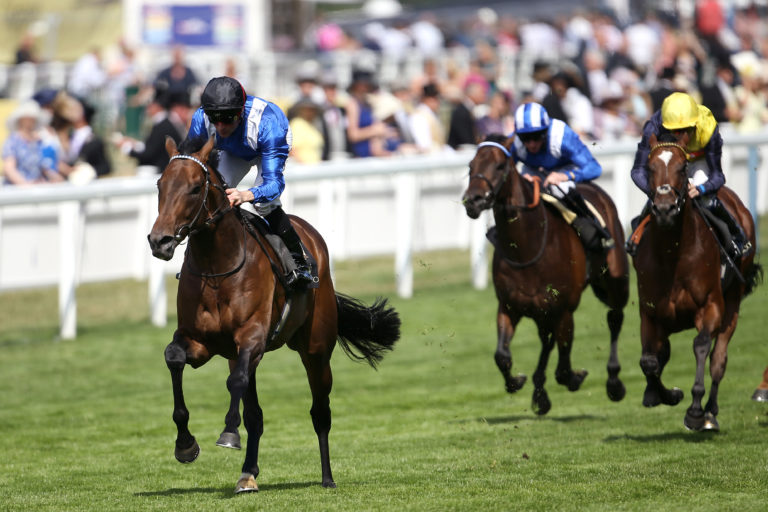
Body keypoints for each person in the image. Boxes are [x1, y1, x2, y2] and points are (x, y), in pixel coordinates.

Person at [184, 76, 313, 288]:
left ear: (242, 111)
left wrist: (246, 195)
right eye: (215, 118)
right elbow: (191, 163)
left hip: (266, 147)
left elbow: (274, 184)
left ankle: (299, 261)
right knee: (211, 194)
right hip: (233, 150)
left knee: (264, 204)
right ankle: (200, 261)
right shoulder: (201, 118)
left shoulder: (269, 124)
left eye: (228, 118)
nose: (221, 126)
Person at [625, 92, 751, 260]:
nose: (680, 134)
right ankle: (635, 235)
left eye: (686, 129)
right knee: (660, 198)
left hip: (699, 161)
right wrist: (654, 191)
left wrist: (701, 188)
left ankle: (737, 236)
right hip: (671, 163)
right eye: (674, 130)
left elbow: (718, 176)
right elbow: (638, 171)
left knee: (706, 199)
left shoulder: (708, 127)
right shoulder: (652, 128)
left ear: (695, 123)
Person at [510, 102, 613, 251]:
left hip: (564, 170)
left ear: (546, 131)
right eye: (525, 138)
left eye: (536, 136)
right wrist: (519, 178)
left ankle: (591, 231)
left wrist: (566, 176)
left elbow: (594, 168)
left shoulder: (562, 136)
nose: (531, 144)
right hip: (533, 170)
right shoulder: (514, 142)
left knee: (559, 188)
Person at [114, 89, 190, 171]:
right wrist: (135, 144)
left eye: (150, 104)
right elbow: (153, 146)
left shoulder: (163, 126)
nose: (147, 108)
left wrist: (126, 147)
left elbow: (149, 154)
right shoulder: (164, 123)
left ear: (157, 105)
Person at [2, 100, 61, 185]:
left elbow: (43, 165)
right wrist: (25, 184)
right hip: (17, 189)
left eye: (33, 118)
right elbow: (9, 168)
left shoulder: (38, 141)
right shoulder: (13, 140)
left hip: (36, 187)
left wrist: (55, 178)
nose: (31, 121)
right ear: (21, 120)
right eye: (28, 118)